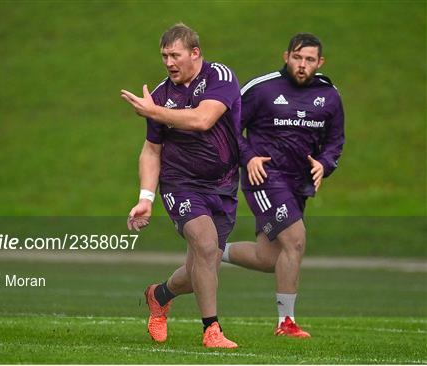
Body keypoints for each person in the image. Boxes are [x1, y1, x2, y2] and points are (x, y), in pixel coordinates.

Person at [120, 23, 241, 348]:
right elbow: (151, 150)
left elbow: (204, 119)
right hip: (180, 184)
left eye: (175, 55)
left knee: (203, 268)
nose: (169, 62)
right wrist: (146, 198)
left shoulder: (220, 77)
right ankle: (211, 330)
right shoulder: (160, 96)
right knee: (204, 244)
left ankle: (159, 295)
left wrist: (155, 112)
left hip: (224, 185)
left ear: (195, 53)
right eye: (164, 56)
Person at [221, 33, 345, 337]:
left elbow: (335, 141)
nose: (302, 65)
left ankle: (211, 250)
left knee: (270, 258)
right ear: (286, 56)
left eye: (309, 60)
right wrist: (248, 156)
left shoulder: (330, 95)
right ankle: (286, 324)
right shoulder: (261, 89)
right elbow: (229, 129)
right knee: (296, 240)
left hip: (298, 184)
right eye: (297, 58)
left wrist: (324, 164)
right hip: (265, 178)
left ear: (320, 62)